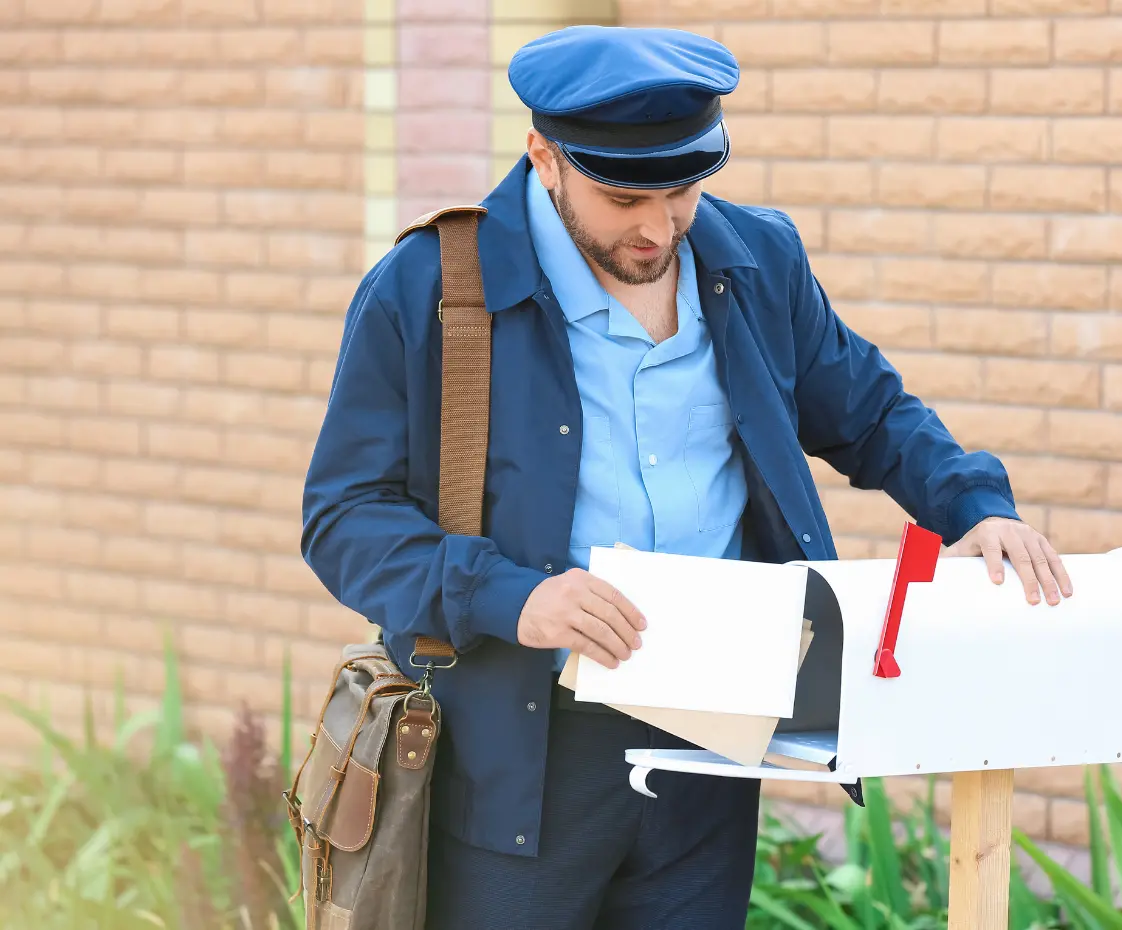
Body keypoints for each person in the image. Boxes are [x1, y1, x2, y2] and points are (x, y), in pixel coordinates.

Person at [300, 24, 1072, 930]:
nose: (659, 225)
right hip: (516, 756)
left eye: (683, 188)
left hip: (717, 740)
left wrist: (972, 506)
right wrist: (512, 597)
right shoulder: (428, 291)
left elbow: (871, 412)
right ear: (543, 155)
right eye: (626, 194)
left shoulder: (756, 259)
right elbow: (343, 519)